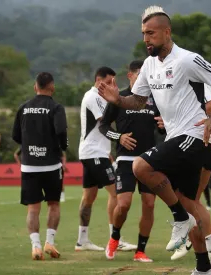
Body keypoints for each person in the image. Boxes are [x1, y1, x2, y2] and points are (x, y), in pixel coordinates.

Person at [98, 6, 211, 274]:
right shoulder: (148, 65)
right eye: (143, 34)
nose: (146, 38)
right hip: (176, 138)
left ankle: (179, 219)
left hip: (193, 136)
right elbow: (136, 101)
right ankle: (204, 267)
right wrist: (118, 101)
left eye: (151, 33)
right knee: (188, 201)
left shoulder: (187, 59)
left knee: (140, 166)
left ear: (167, 32)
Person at [99, 60, 164, 262]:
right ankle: (114, 237)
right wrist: (119, 137)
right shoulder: (119, 98)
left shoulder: (154, 99)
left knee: (149, 204)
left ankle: (140, 251)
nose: (144, 79)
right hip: (126, 160)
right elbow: (102, 126)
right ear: (130, 76)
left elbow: (163, 128)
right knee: (124, 204)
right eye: (139, 75)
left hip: (148, 161)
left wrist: (164, 125)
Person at [76, 67, 136, 252]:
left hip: (95, 152)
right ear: (98, 80)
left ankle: (82, 240)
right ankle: (114, 239)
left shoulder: (99, 97)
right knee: (117, 194)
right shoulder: (93, 97)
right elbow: (105, 122)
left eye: (114, 82)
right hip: (94, 153)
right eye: (109, 82)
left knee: (89, 197)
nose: (112, 85)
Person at [12, 72, 68, 260]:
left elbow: (16, 136)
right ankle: (49, 242)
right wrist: (63, 147)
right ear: (52, 87)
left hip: (29, 166)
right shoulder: (56, 107)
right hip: (51, 165)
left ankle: (35, 246)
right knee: (54, 204)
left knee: (33, 208)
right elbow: (61, 131)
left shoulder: (23, 107)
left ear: (35, 87)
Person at [171, 85, 211, 264]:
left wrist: (209, 118)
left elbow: (210, 106)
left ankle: (199, 241)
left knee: (185, 200)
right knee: (193, 201)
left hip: (203, 144)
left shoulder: (194, 78)